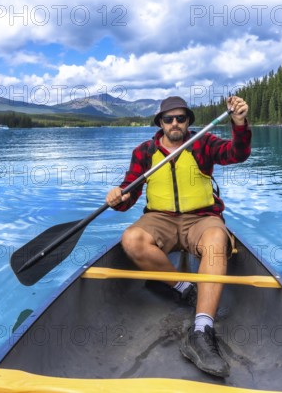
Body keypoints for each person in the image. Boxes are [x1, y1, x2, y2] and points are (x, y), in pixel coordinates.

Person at [106, 95, 251, 378]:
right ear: (160, 123)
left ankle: (200, 331)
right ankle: (185, 287)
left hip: (201, 217)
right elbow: (128, 196)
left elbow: (237, 153)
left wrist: (239, 122)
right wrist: (116, 197)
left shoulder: (203, 144)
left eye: (180, 118)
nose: (175, 123)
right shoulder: (145, 151)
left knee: (216, 241)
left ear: (188, 122)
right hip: (159, 219)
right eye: (168, 119)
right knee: (132, 238)